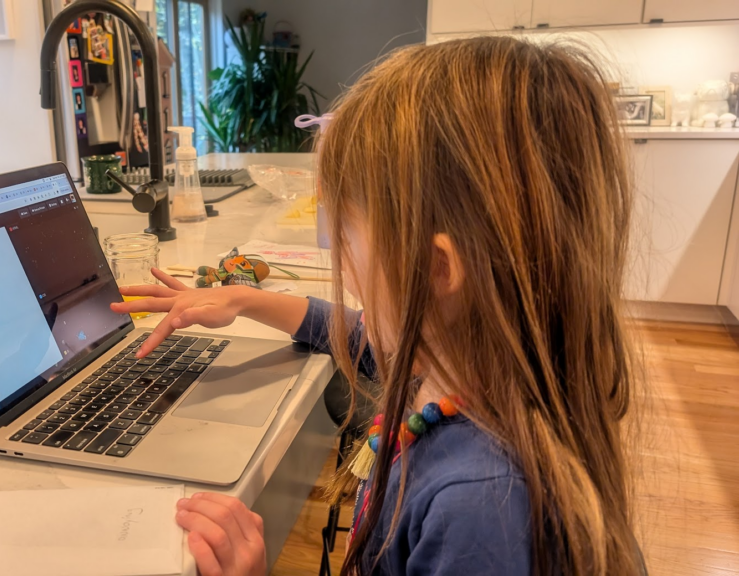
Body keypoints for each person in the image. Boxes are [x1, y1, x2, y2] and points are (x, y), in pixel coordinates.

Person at [112, 36, 645, 576]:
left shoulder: (482, 511)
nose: (336, 249)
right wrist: (247, 299)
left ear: (437, 269)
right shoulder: (471, 366)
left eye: (345, 228)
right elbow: (359, 333)